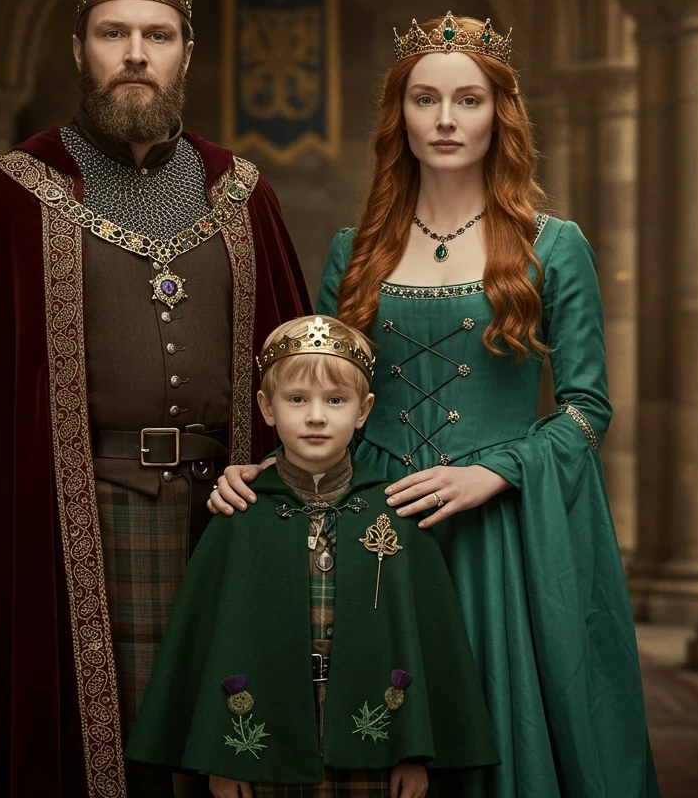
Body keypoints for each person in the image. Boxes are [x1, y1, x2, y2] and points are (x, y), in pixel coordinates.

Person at [0, 0, 311, 798]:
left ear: (189, 52)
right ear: (79, 51)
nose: (136, 54)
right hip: (69, 520)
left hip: (226, 518)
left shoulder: (244, 194)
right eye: (113, 33)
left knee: (219, 747)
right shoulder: (9, 195)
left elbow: (291, 361)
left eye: (158, 34)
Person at [211, 13, 660, 797]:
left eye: (468, 100)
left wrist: (495, 474)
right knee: (374, 736)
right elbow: (318, 390)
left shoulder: (554, 246)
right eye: (425, 99)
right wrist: (263, 471)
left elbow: (589, 408)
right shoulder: (355, 251)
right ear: (400, 116)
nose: (447, 120)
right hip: (374, 519)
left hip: (500, 530)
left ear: (500, 114)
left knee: (497, 728)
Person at [126, 315, 499, 798]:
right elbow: (214, 642)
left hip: (373, 761)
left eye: (335, 400)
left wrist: (412, 753)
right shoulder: (240, 514)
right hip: (263, 760)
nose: (316, 416)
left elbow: (422, 642)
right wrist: (224, 757)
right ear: (266, 407)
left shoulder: (398, 514)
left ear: (363, 410)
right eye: (297, 399)